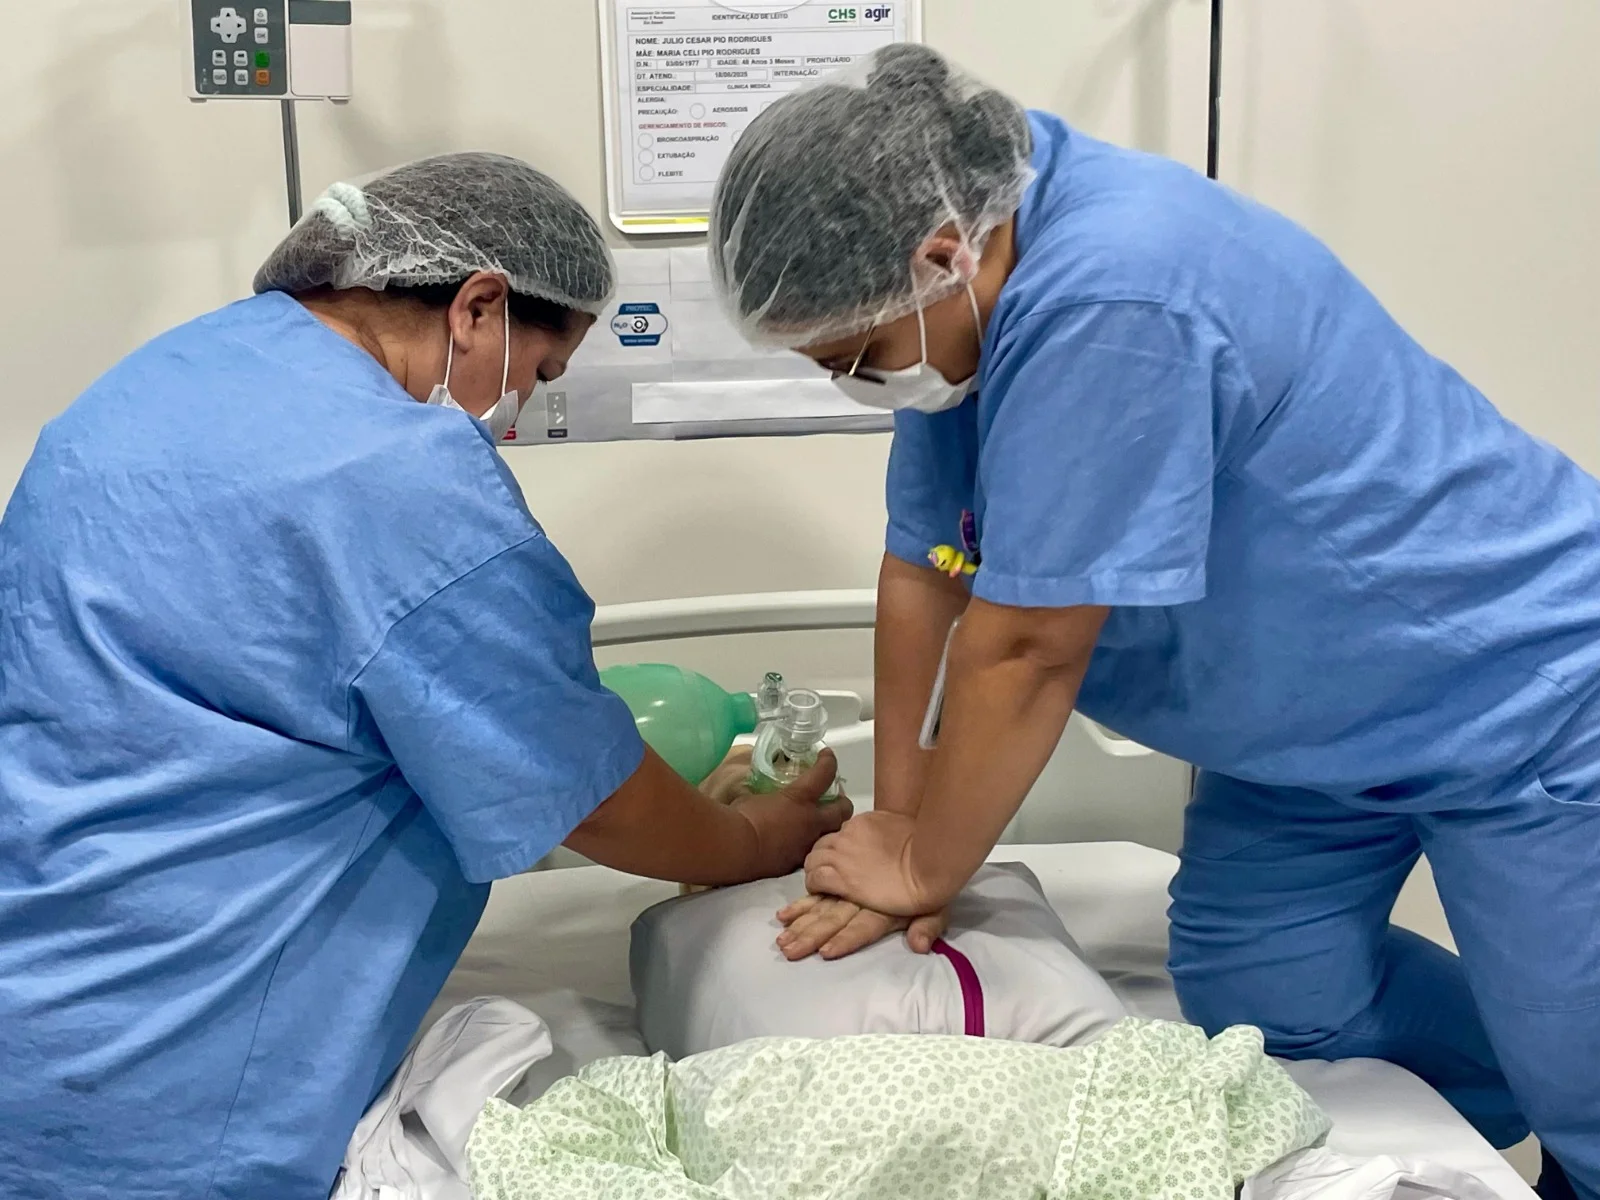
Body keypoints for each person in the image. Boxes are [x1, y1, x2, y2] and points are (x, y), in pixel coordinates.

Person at [709, 43, 1600, 1200]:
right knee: (1268, 1004)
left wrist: (926, 868)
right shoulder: (969, 280)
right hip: (1309, 739)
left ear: (939, 257)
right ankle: (1493, 1103)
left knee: (1580, 1072)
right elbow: (927, 566)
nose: (855, 383)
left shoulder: (1111, 295)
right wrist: (897, 820)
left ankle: (1556, 1106)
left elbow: (1027, 647)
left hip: (1516, 696)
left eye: (856, 358)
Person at [0, 151, 847, 1200]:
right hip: (169, 1080)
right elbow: (581, 789)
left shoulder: (154, 383)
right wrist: (749, 841)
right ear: (478, 308)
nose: (519, 411)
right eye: (540, 374)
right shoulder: (400, 477)